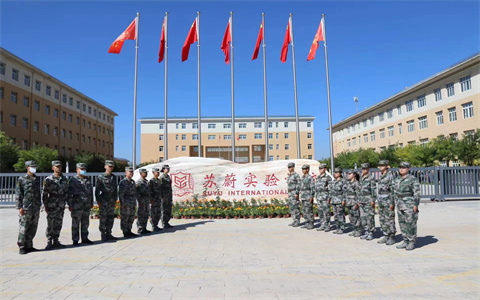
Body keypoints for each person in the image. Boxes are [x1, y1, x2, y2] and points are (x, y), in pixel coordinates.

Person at [15, 160, 41, 254]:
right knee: (24, 227)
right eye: (32, 166)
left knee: (33, 227)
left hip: (35, 207)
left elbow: (38, 193)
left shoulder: (37, 179)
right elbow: (19, 194)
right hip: (26, 207)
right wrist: (19, 207)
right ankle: (21, 246)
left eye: (35, 166)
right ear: (27, 168)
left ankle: (29, 245)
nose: (34, 168)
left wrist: (39, 205)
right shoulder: (22, 179)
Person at [394, 162, 421, 251]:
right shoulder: (397, 179)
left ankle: (411, 241)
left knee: (410, 223)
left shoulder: (412, 179)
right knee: (402, 223)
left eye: (404, 168)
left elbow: (416, 192)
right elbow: (395, 192)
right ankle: (405, 240)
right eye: (400, 167)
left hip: (409, 204)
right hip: (400, 203)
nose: (401, 169)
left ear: (408, 169)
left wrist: (416, 204)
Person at [42, 160, 69, 250]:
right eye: (57, 166)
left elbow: (66, 192)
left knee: (59, 222)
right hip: (52, 204)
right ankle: (49, 241)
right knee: (50, 223)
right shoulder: (48, 179)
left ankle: (56, 240)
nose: (59, 168)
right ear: (53, 168)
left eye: (60, 166)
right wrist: (45, 205)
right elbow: (45, 194)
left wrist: (67, 203)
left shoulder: (64, 179)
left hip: (61, 204)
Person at [67, 163, 94, 246]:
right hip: (77, 205)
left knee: (85, 222)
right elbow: (69, 194)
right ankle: (75, 239)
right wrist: (70, 204)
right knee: (75, 223)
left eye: (84, 169)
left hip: (86, 205)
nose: (82, 170)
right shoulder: (73, 180)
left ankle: (84, 238)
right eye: (81, 169)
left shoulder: (88, 179)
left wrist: (91, 202)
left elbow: (90, 192)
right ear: (77, 170)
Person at [95, 160, 118, 241]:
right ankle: (103, 234)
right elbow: (97, 190)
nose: (110, 168)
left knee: (110, 218)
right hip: (104, 200)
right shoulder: (100, 177)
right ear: (105, 166)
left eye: (112, 166)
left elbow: (115, 190)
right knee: (103, 218)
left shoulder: (114, 177)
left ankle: (109, 233)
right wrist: (98, 200)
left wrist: (115, 200)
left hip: (111, 201)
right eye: (109, 166)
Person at [377, 160, 396, 246]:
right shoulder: (381, 176)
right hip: (381, 201)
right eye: (379, 165)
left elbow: (392, 190)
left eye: (382, 165)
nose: (380, 167)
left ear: (386, 166)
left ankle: (391, 236)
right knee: (382, 219)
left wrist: (392, 202)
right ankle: (386, 235)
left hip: (388, 201)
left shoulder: (390, 176)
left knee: (389, 219)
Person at [358, 163, 376, 241]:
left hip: (368, 199)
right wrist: (358, 200)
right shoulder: (361, 178)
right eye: (362, 169)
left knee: (369, 217)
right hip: (361, 200)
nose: (363, 170)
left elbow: (373, 189)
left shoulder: (371, 178)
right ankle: (366, 232)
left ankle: (371, 232)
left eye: (365, 169)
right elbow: (358, 190)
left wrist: (373, 199)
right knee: (363, 217)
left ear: (368, 169)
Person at [119, 167, 138, 238]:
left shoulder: (133, 182)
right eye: (129, 172)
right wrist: (122, 203)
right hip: (126, 203)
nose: (131, 173)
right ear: (125, 173)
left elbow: (135, 193)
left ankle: (129, 230)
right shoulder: (123, 182)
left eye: (132, 172)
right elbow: (121, 194)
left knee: (131, 217)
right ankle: (125, 231)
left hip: (132, 203)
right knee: (125, 217)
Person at [328, 167, 346, 234]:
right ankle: (337, 227)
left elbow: (344, 191)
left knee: (340, 215)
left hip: (339, 200)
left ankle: (342, 228)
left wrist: (343, 200)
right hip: (334, 201)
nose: (335, 174)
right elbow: (331, 191)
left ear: (340, 173)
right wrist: (329, 198)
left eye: (336, 172)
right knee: (335, 215)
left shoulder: (343, 181)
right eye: (334, 172)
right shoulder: (334, 181)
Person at [314, 163, 331, 231]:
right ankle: (322, 224)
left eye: (322, 168)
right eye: (319, 168)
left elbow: (330, 188)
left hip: (325, 197)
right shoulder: (318, 177)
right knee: (320, 212)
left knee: (326, 212)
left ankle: (327, 226)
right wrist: (316, 195)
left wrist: (329, 198)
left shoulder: (328, 178)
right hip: (319, 197)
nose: (320, 170)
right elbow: (316, 187)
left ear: (325, 169)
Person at [345, 170, 361, 237]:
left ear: (354, 175)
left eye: (349, 174)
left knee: (356, 217)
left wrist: (357, 203)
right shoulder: (348, 183)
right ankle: (354, 229)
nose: (348, 175)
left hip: (354, 202)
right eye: (347, 174)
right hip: (349, 202)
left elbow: (358, 194)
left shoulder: (356, 183)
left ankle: (358, 230)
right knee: (351, 217)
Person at [299, 165, 315, 230]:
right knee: (304, 210)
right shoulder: (302, 178)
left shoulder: (310, 178)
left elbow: (312, 187)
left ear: (308, 169)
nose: (303, 170)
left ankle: (311, 223)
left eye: (304, 169)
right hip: (303, 196)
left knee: (309, 210)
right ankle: (307, 222)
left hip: (308, 196)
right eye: (302, 169)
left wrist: (311, 196)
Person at [136, 168, 151, 234]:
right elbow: (137, 193)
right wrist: (139, 201)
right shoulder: (139, 182)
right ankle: (140, 228)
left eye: (146, 172)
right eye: (144, 173)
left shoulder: (146, 181)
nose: (146, 174)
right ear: (141, 174)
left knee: (146, 214)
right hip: (141, 201)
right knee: (140, 215)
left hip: (146, 201)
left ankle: (144, 228)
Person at [286, 162, 301, 227]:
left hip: (294, 193)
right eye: (288, 167)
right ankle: (294, 220)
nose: (289, 168)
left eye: (290, 167)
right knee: (291, 208)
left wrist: (297, 193)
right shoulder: (289, 176)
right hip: (290, 194)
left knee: (296, 207)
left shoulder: (296, 175)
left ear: (293, 167)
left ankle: (297, 221)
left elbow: (298, 184)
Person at [149, 167, 163, 232]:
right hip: (154, 200)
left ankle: (156, 225)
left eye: (158, 172)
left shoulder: (159, 180)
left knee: (158, 213)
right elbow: (149, 191)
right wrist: (151, 199)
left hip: (158, 199)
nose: (158, 173)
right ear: (153, 173)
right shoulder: (151, 181)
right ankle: (153, 226)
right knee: (153, 213)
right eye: (157, 172)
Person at [160, 165, 174, 229]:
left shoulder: (168, 176)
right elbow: (160, 187)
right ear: (163, 169)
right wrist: (162, 196)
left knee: (168, 209)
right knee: (164, 209)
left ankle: (167, 222)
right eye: (166, 168)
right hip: (164, 196)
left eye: (168, 168)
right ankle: (163, 223)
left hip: (168, 195)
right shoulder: (162, 177)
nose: (168, 169)